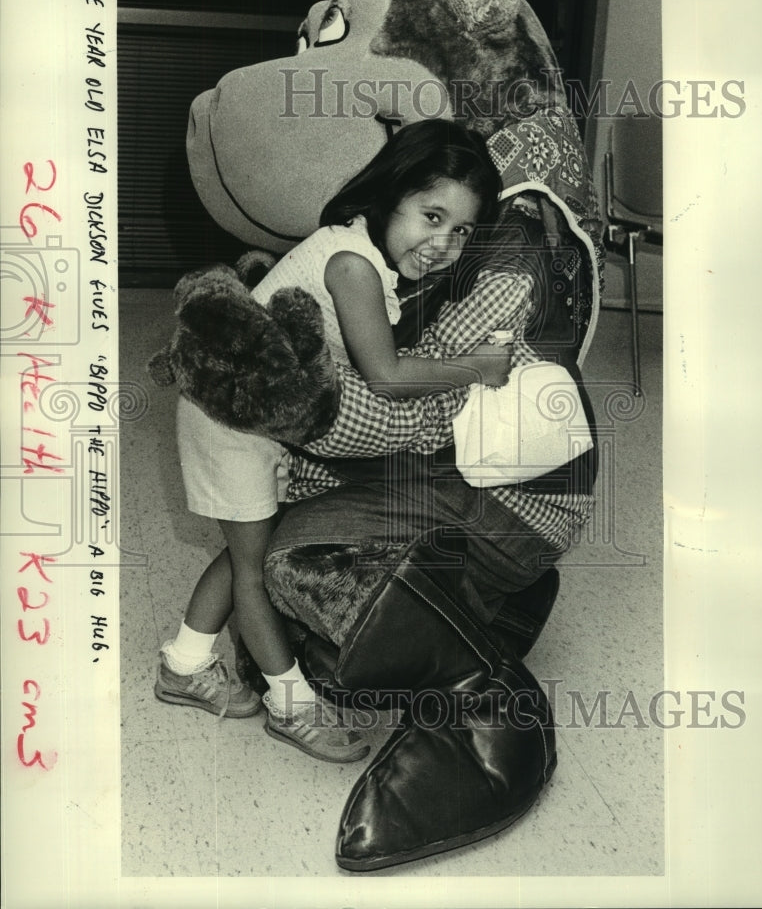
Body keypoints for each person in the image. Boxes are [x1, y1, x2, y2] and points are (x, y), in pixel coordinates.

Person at [155, 120, 509, 762]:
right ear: (389, 194)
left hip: (253, 420)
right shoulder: (352, 265)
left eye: (460, 230)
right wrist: (474, 368)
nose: (443, 242)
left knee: (244, 552)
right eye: (431, 216)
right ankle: (292, 709)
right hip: (231, 425)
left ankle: (183, 664)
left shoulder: (357, 251)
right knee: (256, 568)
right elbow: (388, 375)